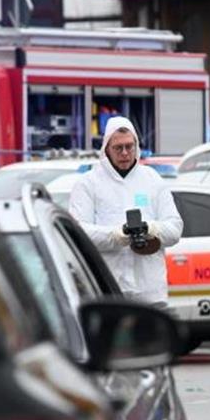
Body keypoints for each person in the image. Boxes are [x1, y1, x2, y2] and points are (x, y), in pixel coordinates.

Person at [68, 116, 184, 308]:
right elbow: (78, 233)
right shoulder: (88, 184)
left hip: (150, 294)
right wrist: (116, 235)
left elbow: (175, 229)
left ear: (136, 145)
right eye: (118, 148)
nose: (125, 153)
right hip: (107, 292)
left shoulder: (152, 180)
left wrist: (151, 229)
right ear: (106, 148)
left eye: (129, 146)